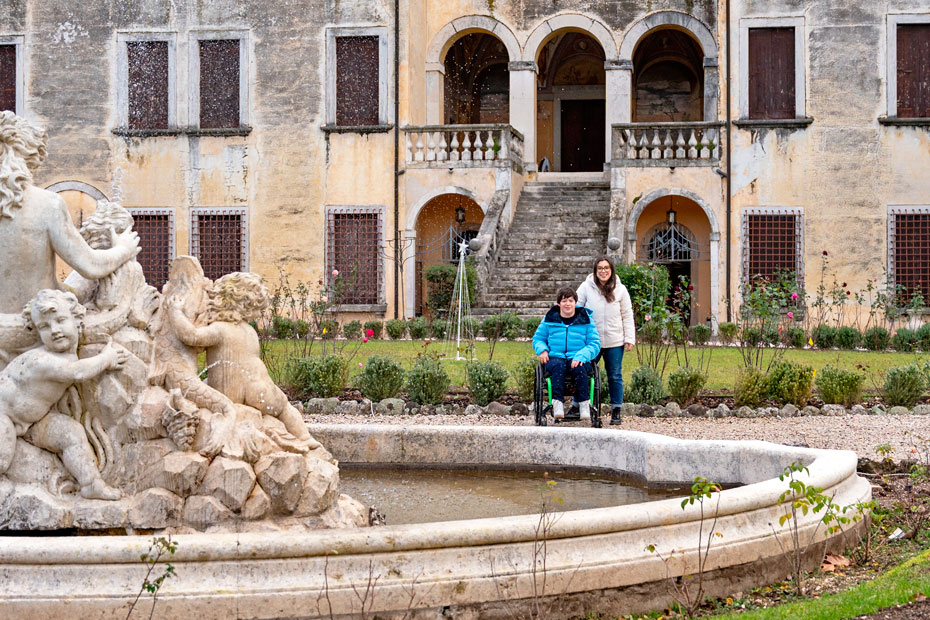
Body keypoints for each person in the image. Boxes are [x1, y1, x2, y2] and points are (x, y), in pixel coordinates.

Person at [167, 272, 321, 451]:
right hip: (262, 387)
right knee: (284, 408)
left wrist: (175, 312)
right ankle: (305, 437)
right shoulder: (249, 331)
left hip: (234, 390)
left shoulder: (220, 329)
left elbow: (191, 336)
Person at [0, 289, 127, 499]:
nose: (54, 330)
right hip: (4, 416)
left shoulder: (65, 356)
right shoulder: (41, 361)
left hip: (33, 421)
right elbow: (76, 372)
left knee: (72, 433)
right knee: (2, 459)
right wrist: (107, 358)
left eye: (60, 320)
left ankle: (91, 484)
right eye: (44, 326)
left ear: (77, 320)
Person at [576, 257, 635, 425]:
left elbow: (627, 314)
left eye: (606, 268)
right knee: (582, 372)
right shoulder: (586, 287)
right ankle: (577, 405)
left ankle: (616, 410)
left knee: (615, 376)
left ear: (611, 270)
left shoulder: (621, 290)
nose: (603, 271)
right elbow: (577, 309)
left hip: (614, 340)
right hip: (591, 341)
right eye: (600, 268)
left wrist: (629, 337)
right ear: (595, 270)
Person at [532, 287, 601, 420]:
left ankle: (584, 405)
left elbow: (595, 343)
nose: (567, 304)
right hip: (556, 357)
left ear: (576, 302)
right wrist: (543, 350)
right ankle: (557, 404)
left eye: (570, 300)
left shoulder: (586, 320)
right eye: (564, 301)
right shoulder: (549, 319)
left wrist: (582, 356)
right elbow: (538, 339)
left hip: (578, 356)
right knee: (558, 366)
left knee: (579, 367)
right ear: (558, 304)